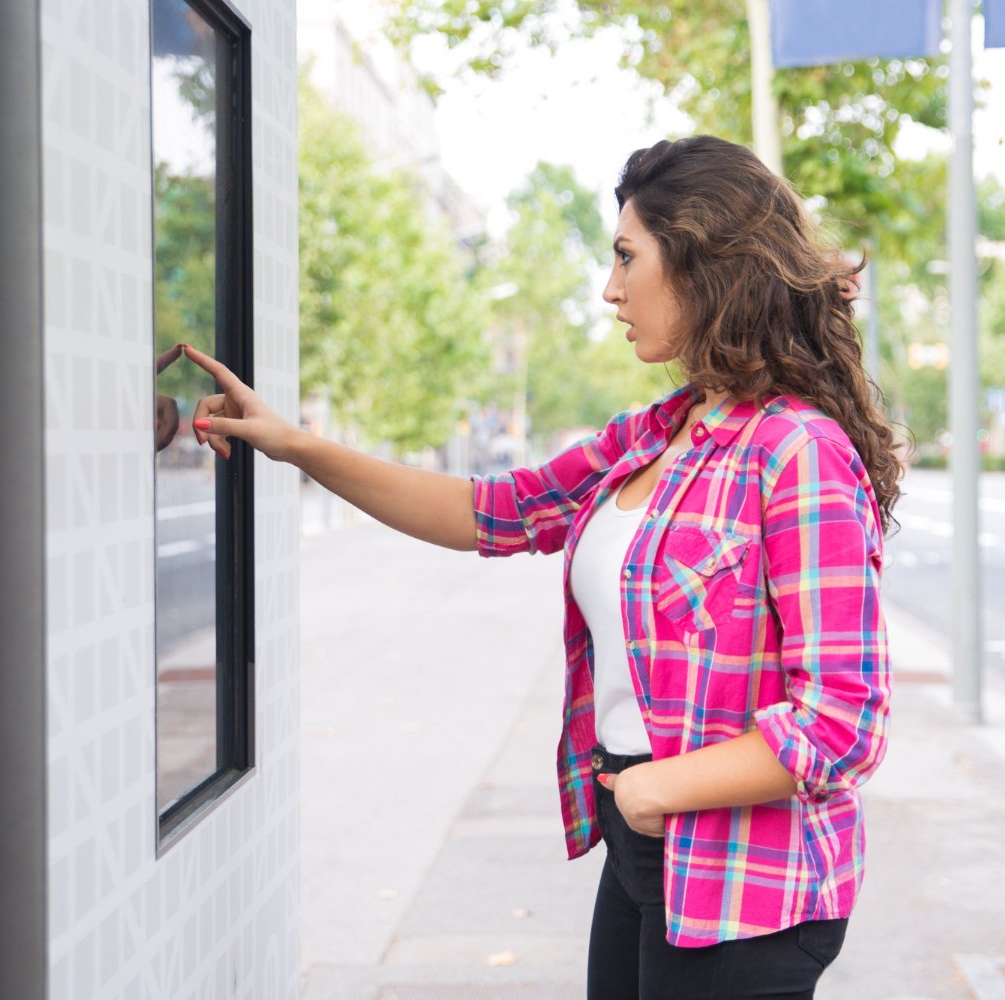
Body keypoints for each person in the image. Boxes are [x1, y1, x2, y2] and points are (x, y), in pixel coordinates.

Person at [180, 134, 896, 1000]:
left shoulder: (796, 452)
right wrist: (294, 445)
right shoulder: (653, 434)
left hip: (746, 884)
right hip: (645, 853)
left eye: (629, 257)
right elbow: (489, 512)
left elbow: (842, 721)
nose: (611, 288)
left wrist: (658, 788)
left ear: (706, 262)